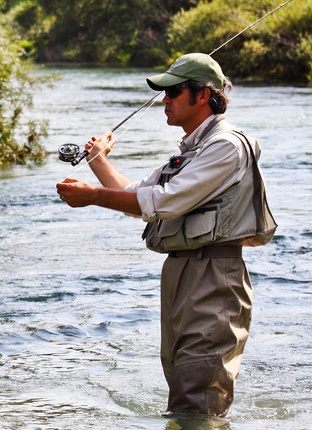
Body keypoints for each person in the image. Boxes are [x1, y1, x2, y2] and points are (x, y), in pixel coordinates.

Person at [56, 53, 270, 418]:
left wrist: (93, 197)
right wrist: (98, 161)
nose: (164, 100)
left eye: (173, 91)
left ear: (202, 96)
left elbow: (162, 203)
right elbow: (135, 196)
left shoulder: (225, 145)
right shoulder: (192, 151)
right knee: (184, 392)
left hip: (213, 276)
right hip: (182, 275)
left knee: (197, 403)